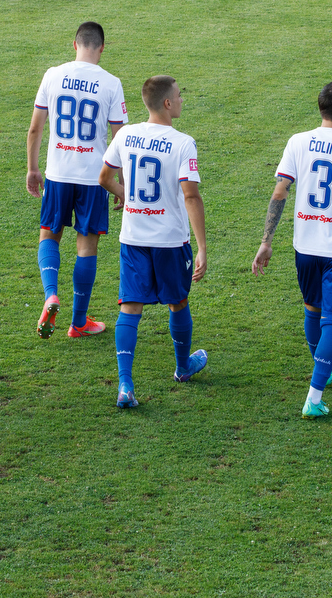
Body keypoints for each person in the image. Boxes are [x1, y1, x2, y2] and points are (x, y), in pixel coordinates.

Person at [252, 81, 332, 418]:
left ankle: (319, 369)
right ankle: (314, 397)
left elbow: (280, 192)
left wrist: (266, 241)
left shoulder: (297, 142)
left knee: (312, 309)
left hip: (304, 246)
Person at [99, 75, 209, 409]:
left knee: (129, 308)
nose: (181, 100)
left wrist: (126, 196)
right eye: (179, 96)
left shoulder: (127, 134)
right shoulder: (182, 142)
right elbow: (191, 195)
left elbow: (104, 177)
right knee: (178, 302)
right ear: (166, 103)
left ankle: (125, 385)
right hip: (171, 241)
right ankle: (182, 367)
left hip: (133, 238)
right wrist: (202, 246)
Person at [26, 23, 128, 341]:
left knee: (49, 236)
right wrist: (120, 183)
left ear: (74, 44)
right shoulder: (111, 84)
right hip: (93, 179)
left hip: (57, 173)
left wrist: (32, 169)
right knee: (87, 247)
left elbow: (35, 129)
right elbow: (119, 138)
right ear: (101, 47)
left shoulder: (52, 75)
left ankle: (51, 294)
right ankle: (78, 322)